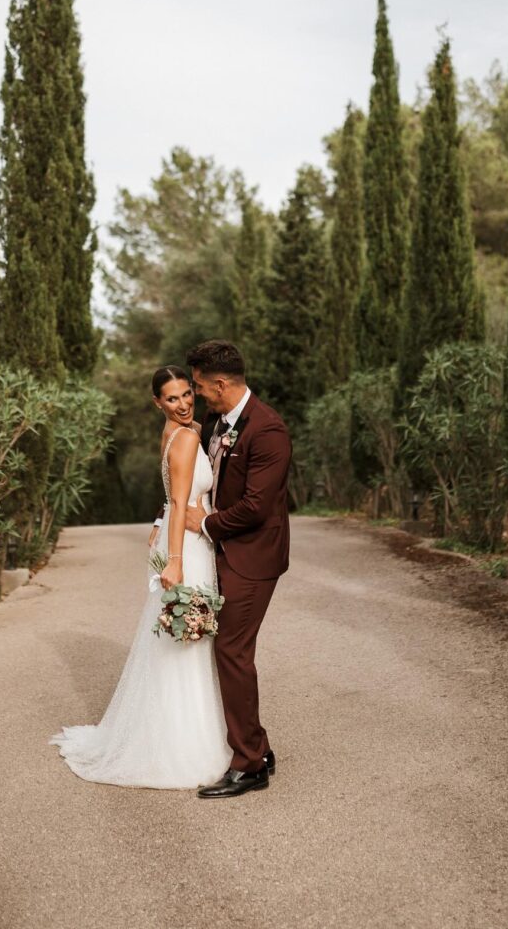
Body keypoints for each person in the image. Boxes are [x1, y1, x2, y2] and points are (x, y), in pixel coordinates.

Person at [48, 366, 231, 788]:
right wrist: (177, 562)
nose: (183, 404)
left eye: (187, 394)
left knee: (178, 640)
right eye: (172, 399)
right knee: (186, 640)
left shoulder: (176, 430)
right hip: (187, 549)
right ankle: (181, 746)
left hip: (176, 537)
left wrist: (158, 519)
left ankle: (176, 734)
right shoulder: (186, 437)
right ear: (157, 403)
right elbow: (182, 496)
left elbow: (170, 496)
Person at [182, 339, 292, 799]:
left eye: (200, 386)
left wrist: (203, 522)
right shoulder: (215, 421)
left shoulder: (268, 431)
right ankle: (258, 747)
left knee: (232, 651)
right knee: (225, 649)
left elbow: (254, 507)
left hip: (253, 557)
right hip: (220, 552)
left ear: (221, 383)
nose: (197, 394)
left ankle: (249, 766)